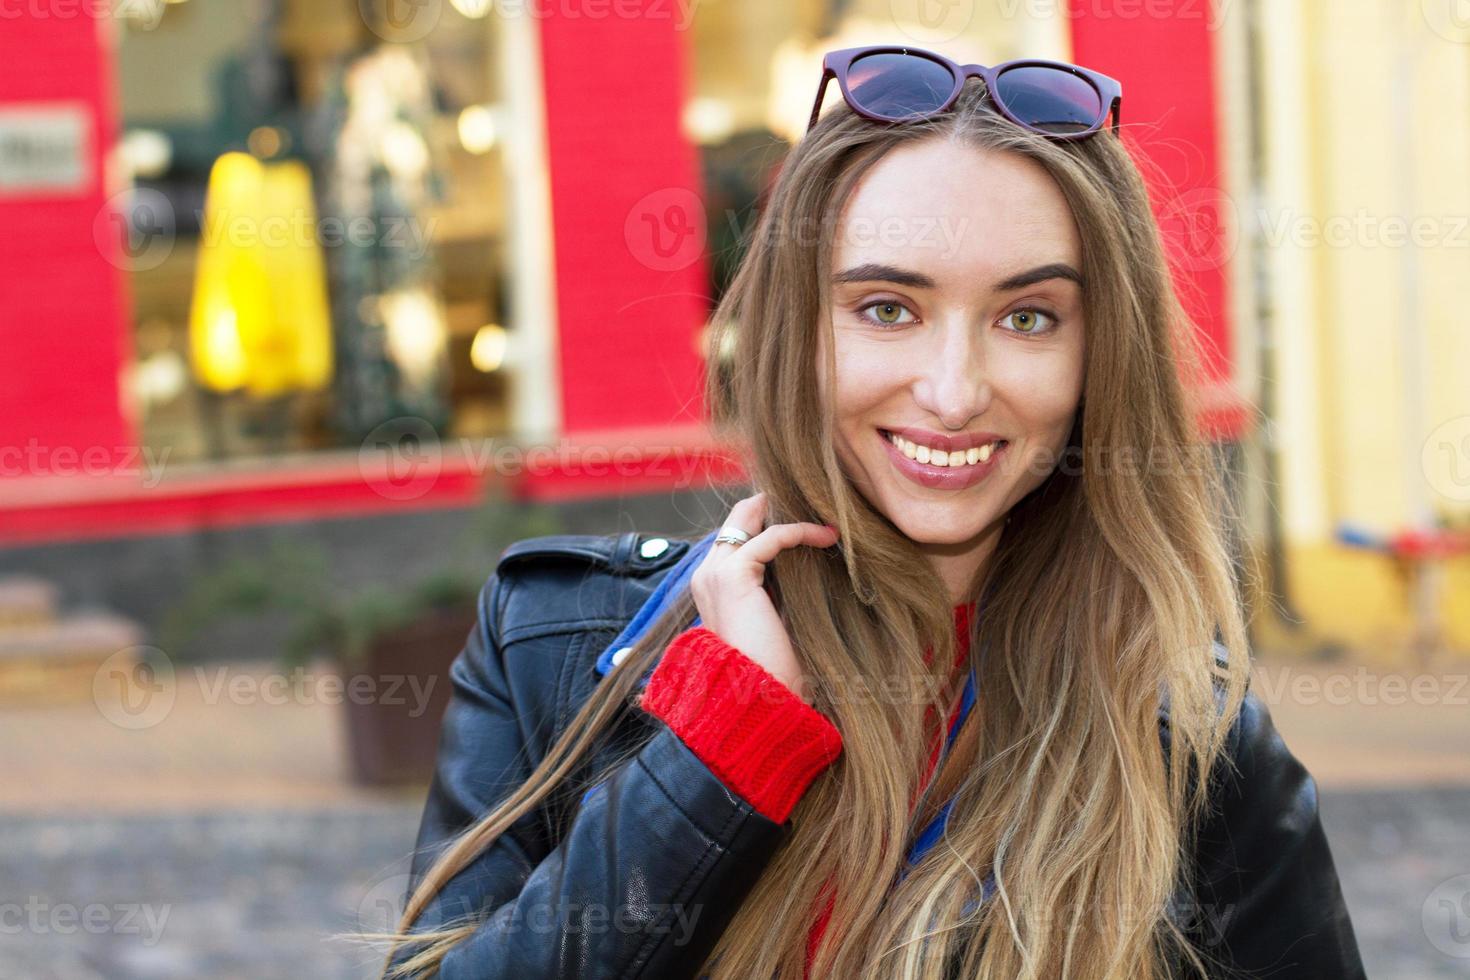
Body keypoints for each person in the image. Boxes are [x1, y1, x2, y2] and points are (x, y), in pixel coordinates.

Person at [374, 45, 1367, 979]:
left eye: (1028, 317)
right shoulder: (553, 639)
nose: (952, 389)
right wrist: (724, 736)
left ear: (1100, 358)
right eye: (887, 307)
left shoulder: (1192, 744)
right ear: (794, 330)